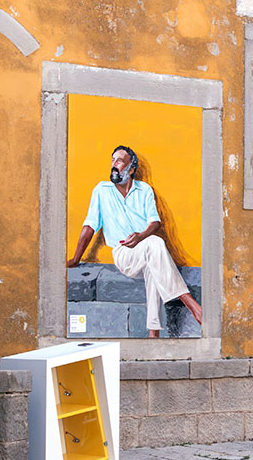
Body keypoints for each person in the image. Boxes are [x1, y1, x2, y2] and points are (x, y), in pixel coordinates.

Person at [67, 145, 202, 338]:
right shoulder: (101, 191)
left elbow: (154, 222)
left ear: (131, 169)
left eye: (120, 161)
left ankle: (153, 333)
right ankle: (191, 304)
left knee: (153, 262)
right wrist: (76, 258)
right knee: (155, 244)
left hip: (145, 248)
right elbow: (89, 226)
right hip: (123, 253)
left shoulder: (144, 190)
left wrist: (140, 236)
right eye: (113, 160)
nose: (114, 164)